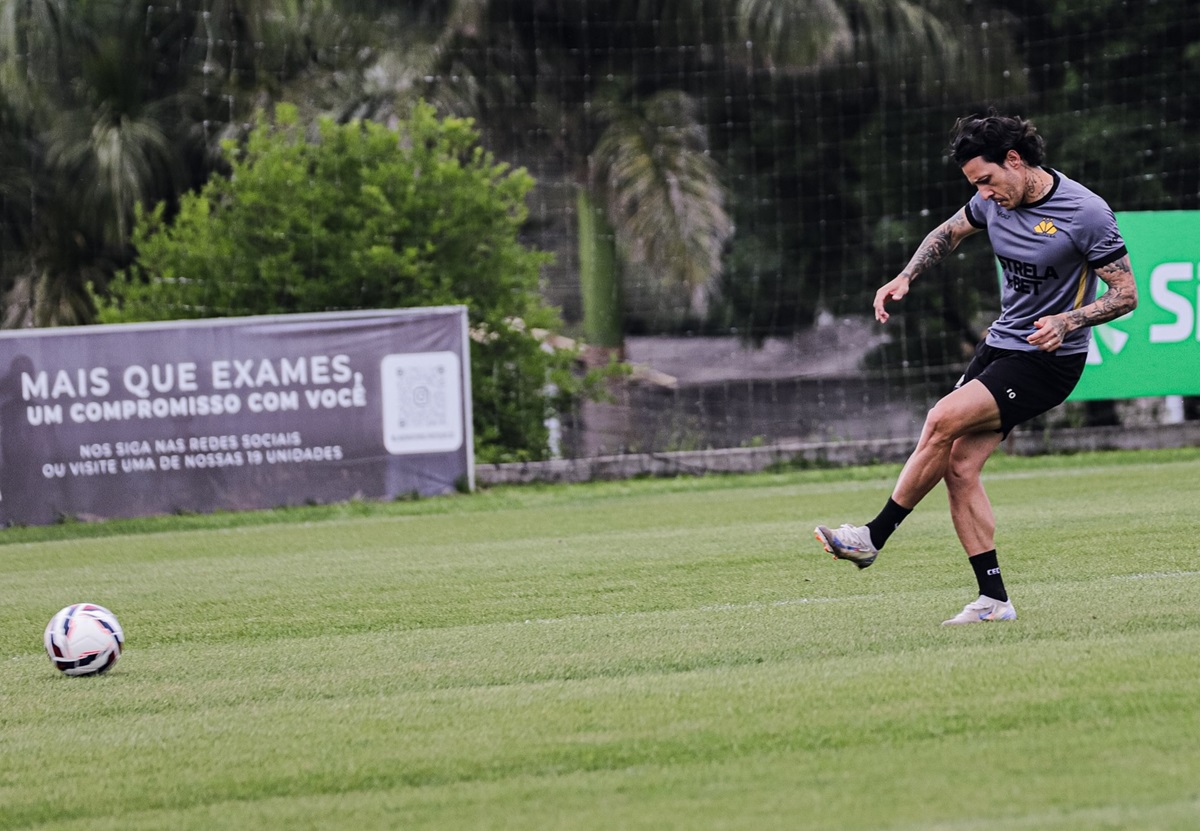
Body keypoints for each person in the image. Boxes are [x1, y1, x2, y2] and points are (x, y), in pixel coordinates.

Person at [814, 110, 1138, 625]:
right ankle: (993, 601)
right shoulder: (991, 201)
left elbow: (1126, 294)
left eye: (987, 180)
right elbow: (948, 232)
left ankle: (872, 537)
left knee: (940, 419)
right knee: (959, 468)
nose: (984, 194)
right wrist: (905, 276)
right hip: (1000, 346)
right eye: (975, 186)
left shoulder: (1086, 212)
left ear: (1015, 160)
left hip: (1048, 360)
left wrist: (1069, 320)